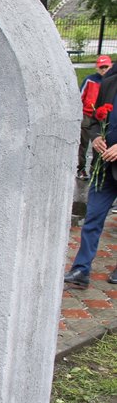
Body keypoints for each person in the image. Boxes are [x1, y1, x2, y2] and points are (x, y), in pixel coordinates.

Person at [65, 65, 117, 288]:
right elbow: (95, 120)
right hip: (104, 167)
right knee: (93, 218)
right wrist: (96, 137)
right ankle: (81, 269)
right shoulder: (109, 83)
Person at [77, 56, 112, 179]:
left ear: (110, 66)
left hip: (102, 117)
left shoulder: (111, 82)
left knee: (99, 145)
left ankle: (94, 168)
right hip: (87, 115)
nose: (104, 70)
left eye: (106, 67)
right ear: (97, 68)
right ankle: (81, 169)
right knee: (83, 144)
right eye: (101, 67)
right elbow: (81, 96)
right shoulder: (90, 80)